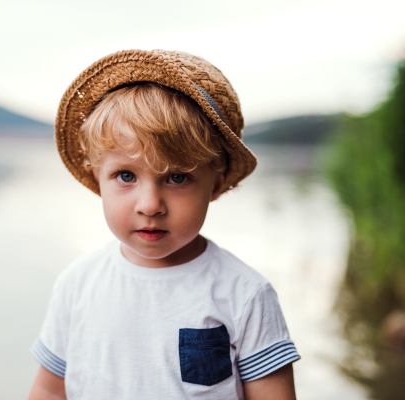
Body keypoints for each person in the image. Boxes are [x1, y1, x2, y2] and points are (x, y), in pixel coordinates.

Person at [27, 49, 300, 400]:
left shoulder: (244, 294)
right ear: (98, 179)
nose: (150, 205)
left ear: (215, 185)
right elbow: (50, 390)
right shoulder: (77, 285)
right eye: (125, 175)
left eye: (177, 177)